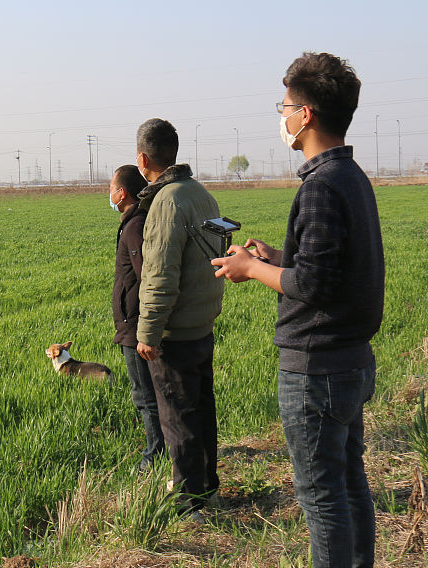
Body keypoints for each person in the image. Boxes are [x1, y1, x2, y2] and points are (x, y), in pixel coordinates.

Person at [212, 52, 383, 568]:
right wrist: (278, 259)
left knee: (321, 497)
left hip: (317, 369)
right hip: (351, 360)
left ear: (305, 114)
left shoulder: (321, 186)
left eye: (285, 106)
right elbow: (330, 271)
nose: (282, 116)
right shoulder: (350, 176)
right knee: (349, 482)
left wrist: (248, 268)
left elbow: (311, 284)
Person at [133, 118, 225, 518]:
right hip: (202, 320)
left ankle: (190, 504)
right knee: (201, 408)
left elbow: (160, 273)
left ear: (142, 159)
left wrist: (149, 332)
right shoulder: (199, 193)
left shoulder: (167, 202)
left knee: (177, 417)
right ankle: (209, 487)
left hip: (177, 329)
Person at [109, 164, 164, 473]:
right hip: (135, 324)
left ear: (123, 193)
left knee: (145, 396)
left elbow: (146, 277)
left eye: (111, 188)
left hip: (136, 327)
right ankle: (163, 448)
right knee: (152, 393)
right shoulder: (135, 221)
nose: (109, 194)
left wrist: (144, 327)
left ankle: (154, 456)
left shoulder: (134, 226)